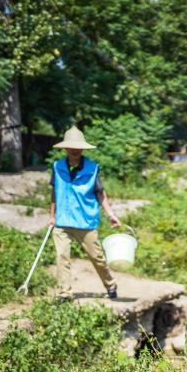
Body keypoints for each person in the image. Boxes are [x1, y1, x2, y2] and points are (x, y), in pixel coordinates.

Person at [48, 126, 121, 300]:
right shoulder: (57, 167)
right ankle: (65, 292)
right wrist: (51, 216)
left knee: (97, 257)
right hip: (62, 220)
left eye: (78, 147)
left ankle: (111, 284)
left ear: (82, 148)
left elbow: (100, 193)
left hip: (85, 221)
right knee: (62, 255)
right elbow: (54, 192)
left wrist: (110, 214)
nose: (74, 150)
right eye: (71, 147)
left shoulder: (92, 168)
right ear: (65, 148)